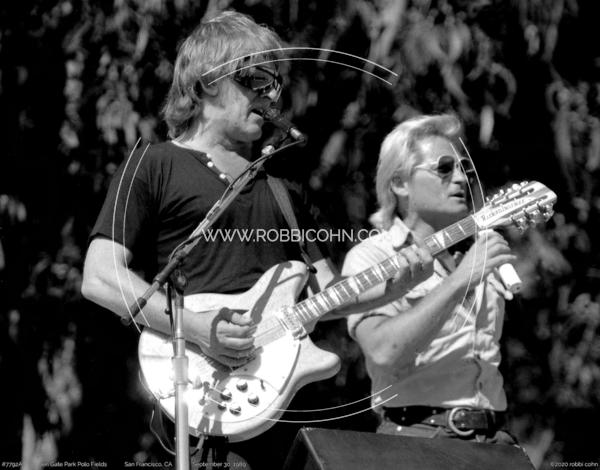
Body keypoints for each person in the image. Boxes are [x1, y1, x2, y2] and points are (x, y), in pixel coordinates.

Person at [81, 10, 427, 469]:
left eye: (274, 83)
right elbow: (100, 276)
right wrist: (197, 329)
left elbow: (327, 294)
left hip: (286, 410)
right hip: (208, 403)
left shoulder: (284, 190)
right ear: (206, 83)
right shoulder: (152, 164)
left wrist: (396, 285)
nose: (269, 96)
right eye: (256, 80)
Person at [342, 113, 519, 444]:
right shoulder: (373, 257)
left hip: (493, 440)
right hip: (416, 437)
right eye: (444, 168)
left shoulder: (479, 251)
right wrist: (459, 280)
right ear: (400, 183)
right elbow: (383, 351)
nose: (461, 179)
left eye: (464, 169)